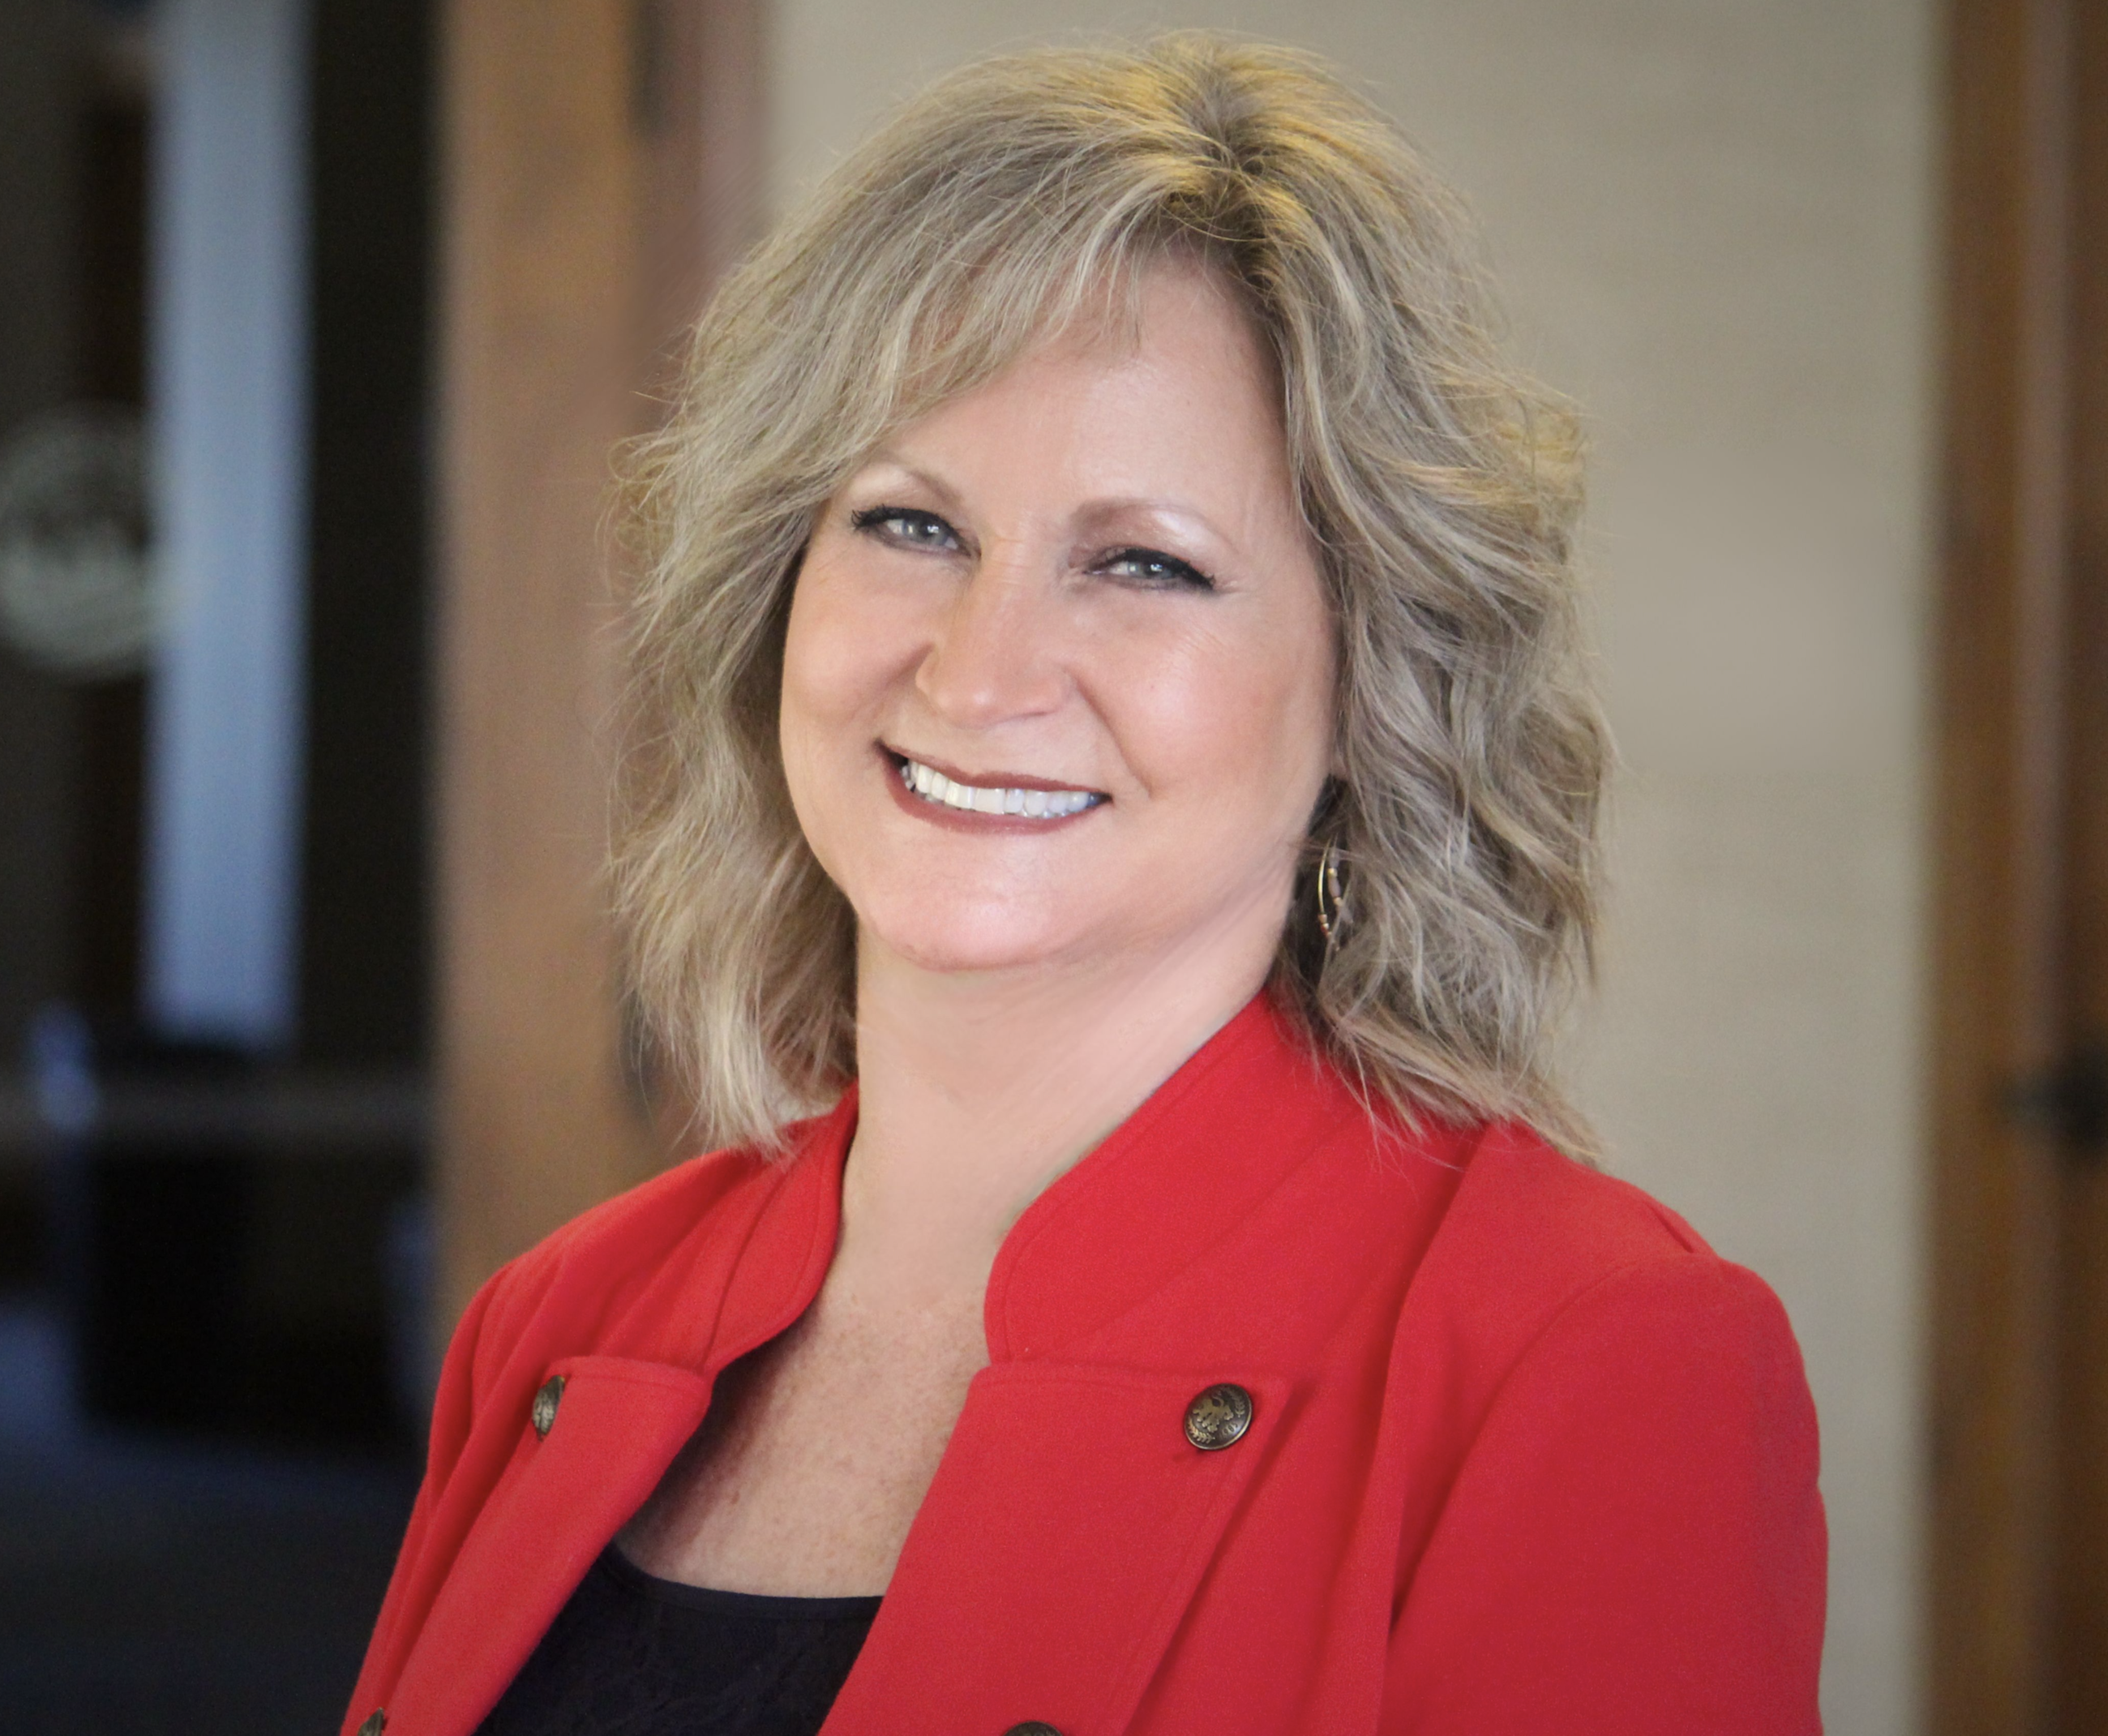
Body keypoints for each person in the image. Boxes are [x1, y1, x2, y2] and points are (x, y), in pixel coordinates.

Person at [345, 33, 1824, 1736]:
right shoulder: (561, 1315)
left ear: (1370, 688)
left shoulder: (1589, 1357)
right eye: (908, 524)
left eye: (1145, 562)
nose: (981, 672)